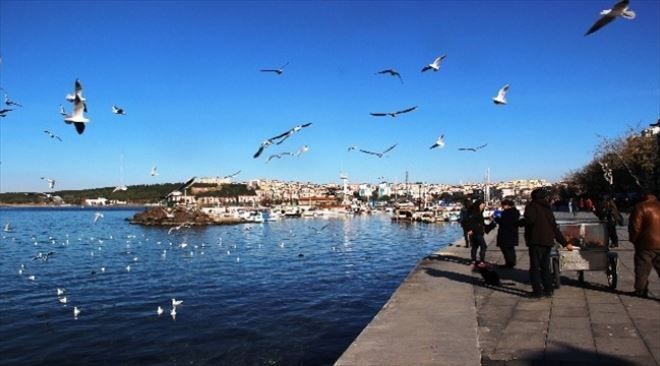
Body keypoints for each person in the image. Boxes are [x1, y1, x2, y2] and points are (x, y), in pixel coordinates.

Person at [524, 188, 573, 298]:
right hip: (548, 241)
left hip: (536, 240)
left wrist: (518, 223)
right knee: (545, 267)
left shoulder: (531, 206)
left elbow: (529, 221)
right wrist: (565, 243)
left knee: (535, 268)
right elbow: (554, 227)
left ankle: (537, 291)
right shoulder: (547, 207)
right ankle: (548, 289)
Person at [628, 192, 660, 298]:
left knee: (642, 269)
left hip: (645, 244)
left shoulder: (640, 207)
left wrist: (634, 240)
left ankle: (641, 290)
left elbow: (635, 227)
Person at [493, 200, 521, 268]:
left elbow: (503, 221)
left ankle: (509, 263)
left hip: (506, 233)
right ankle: (511, 262)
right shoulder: (515, 212)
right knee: (510, 249)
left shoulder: (508, 213)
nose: (502, 207)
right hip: (512, 233)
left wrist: (496, 218)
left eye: (503, 205)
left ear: (507, 205)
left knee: (506, 249)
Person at [467, 199, 488, 267]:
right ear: (479, 205)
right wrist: (470, 229)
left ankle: (473, 261)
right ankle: (481, 261)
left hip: (476, 231)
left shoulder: (474, 212)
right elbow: (471, 222)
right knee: (483, 246)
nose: (483, 207)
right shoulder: (475, 213)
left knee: (475, 246)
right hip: (476, 232)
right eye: (482, 206)